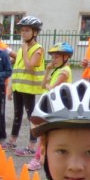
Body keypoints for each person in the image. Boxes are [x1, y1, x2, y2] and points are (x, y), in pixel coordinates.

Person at [27, 41, 74, 171]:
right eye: (52, 57)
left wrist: (48, 85)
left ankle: (39, 159)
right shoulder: (56, 70)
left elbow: (52, 88)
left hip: (60, 107)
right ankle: (41, 158)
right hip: (52, 105)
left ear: (66, 57)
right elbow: (43, 85)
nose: (53, 60)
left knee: (49, 133)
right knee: (46, 132)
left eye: (56, 57)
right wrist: (47, 70)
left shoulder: (64, 71)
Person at [6, 16, 45, 157]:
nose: (23, 33)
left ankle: (32, 146)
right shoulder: (23, 48)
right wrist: (10, 87)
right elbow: (17, 69)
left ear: (35, 32)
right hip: (18, 87)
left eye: (27, 30)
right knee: (17, 114)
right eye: (22, 30)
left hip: (29, 89)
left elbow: (29, 66)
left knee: (31, 117)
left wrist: (24, 50)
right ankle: (12, 141)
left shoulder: (38, 49)